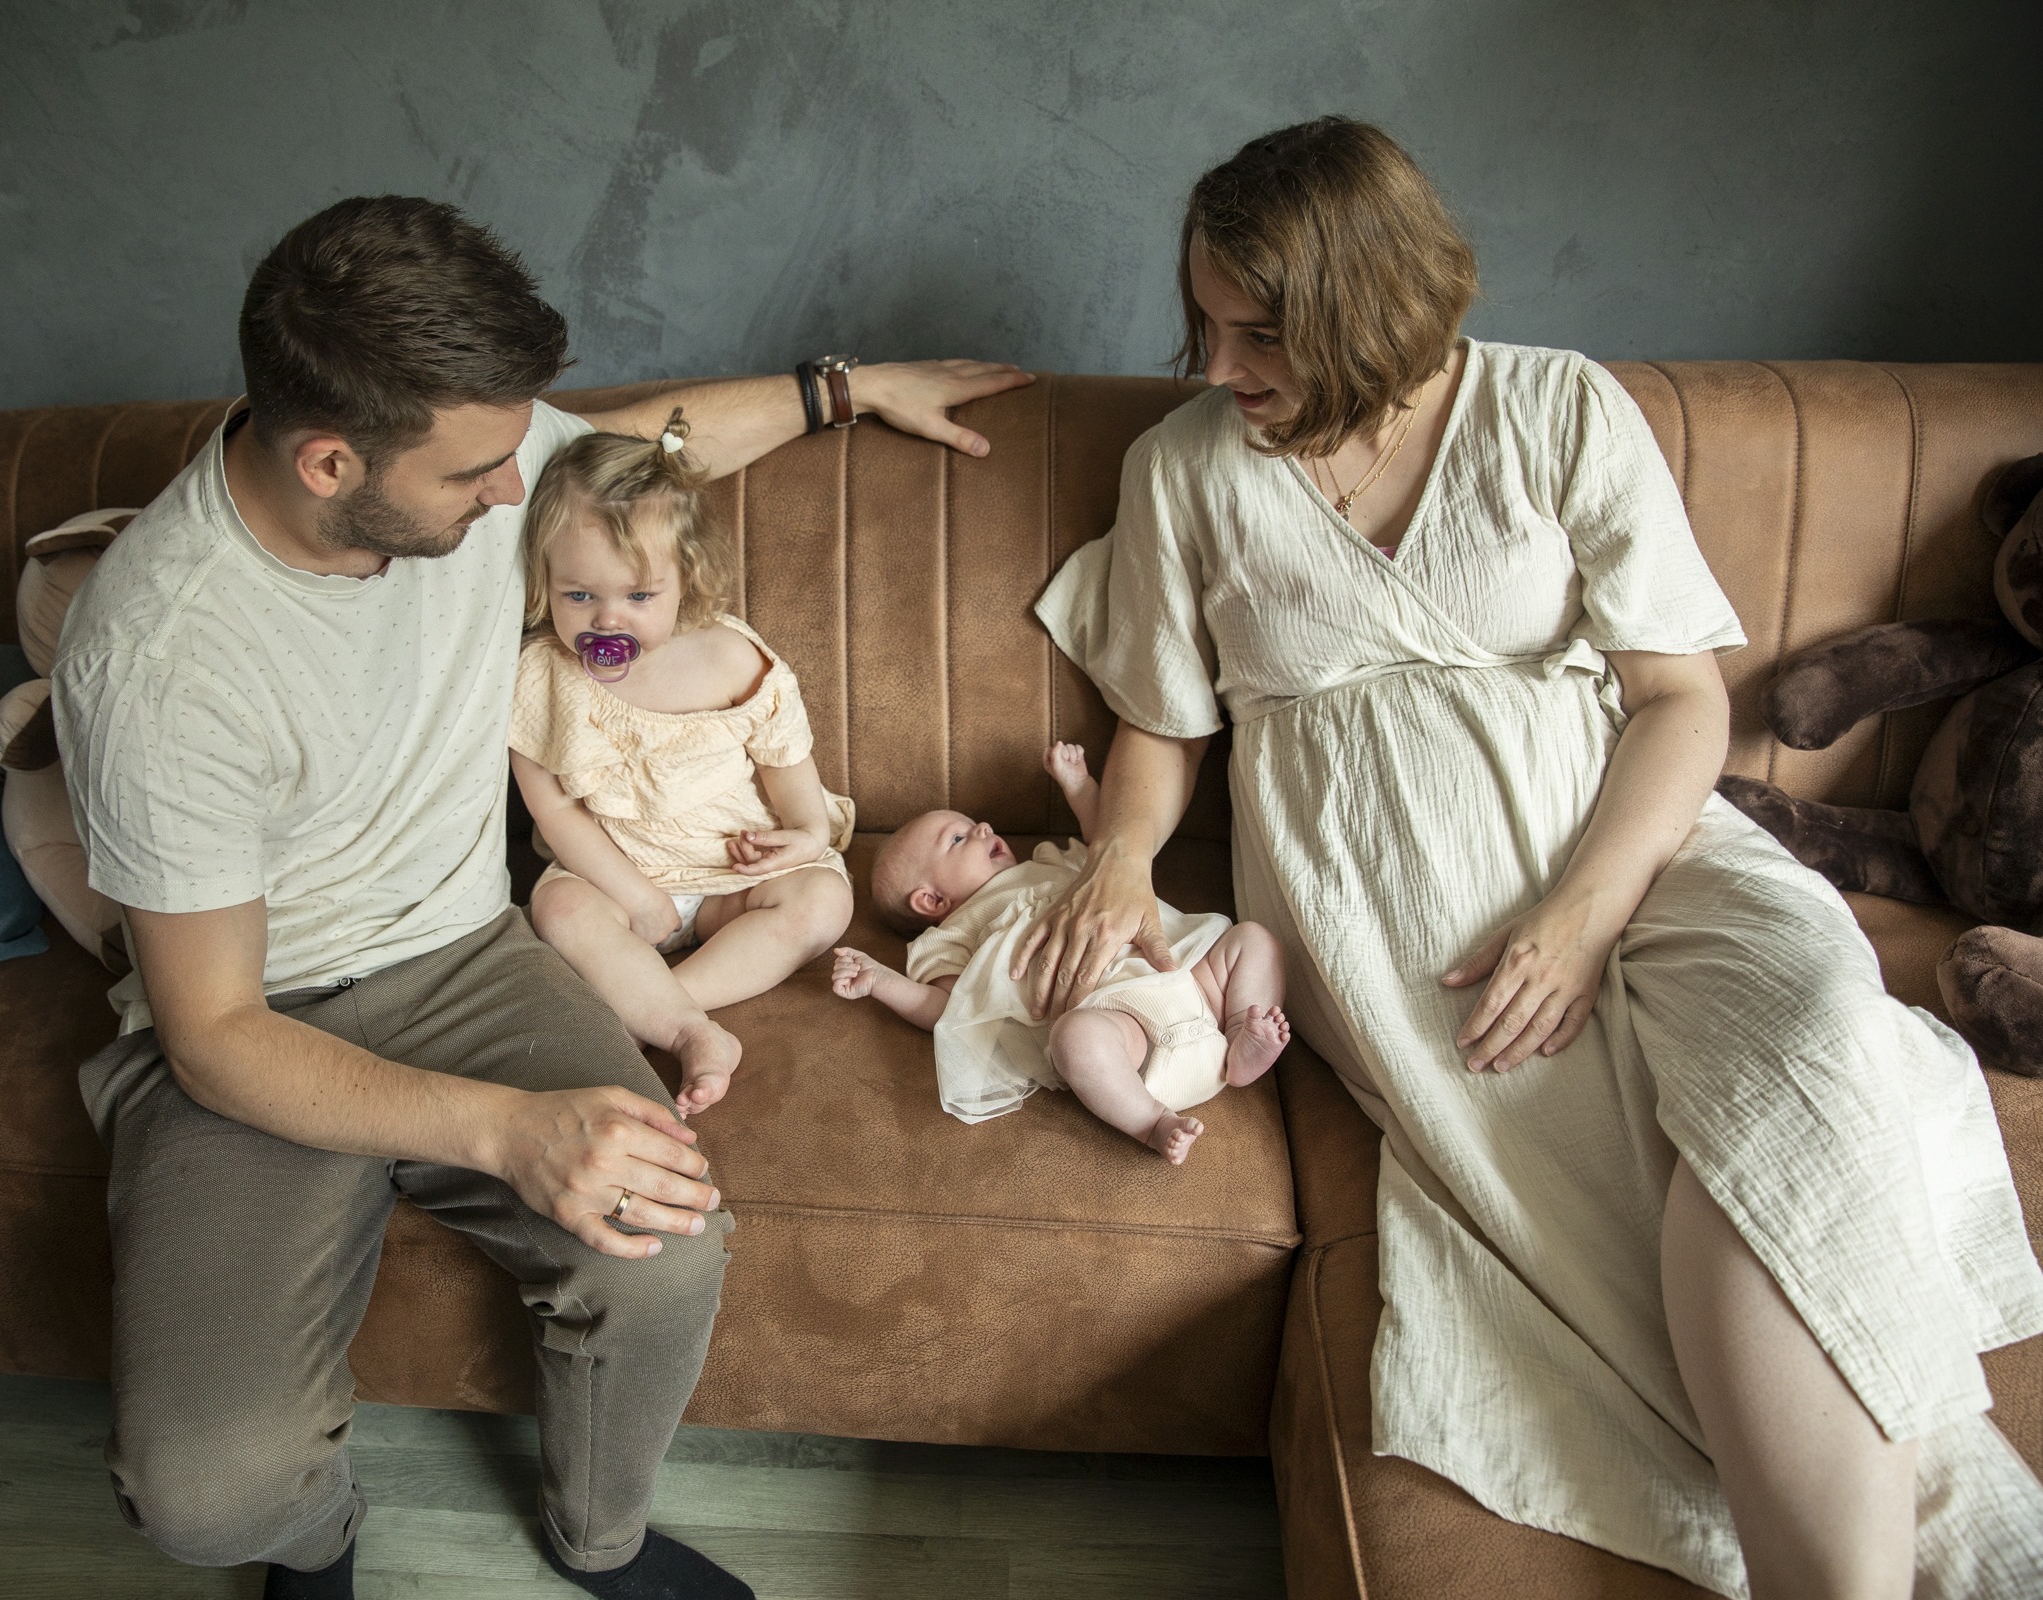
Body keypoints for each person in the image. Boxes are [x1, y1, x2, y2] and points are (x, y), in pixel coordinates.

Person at [1021, 119, 2043, 1598]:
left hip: (1640, 850)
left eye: (1264, 333)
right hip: (1398, 902)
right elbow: (1160, 727)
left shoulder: (1559, 409)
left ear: (1377, 308)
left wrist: (1581, 917)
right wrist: (1122, 856)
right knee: (1600, 1186)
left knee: (1813, 1033)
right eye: (1207, 324)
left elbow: (1682, 699)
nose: (1219, 367)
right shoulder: (1186, 470)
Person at [53, 193, 1029, 1600]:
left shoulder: (469, 462)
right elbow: (213, 1030)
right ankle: (315, 1544)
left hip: (465, 955)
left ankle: (599, 1546)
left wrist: (847, 390)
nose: (520, 495)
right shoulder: (158, 655)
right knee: (206, 1492)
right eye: (481, 475)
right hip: (255, 1030)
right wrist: (508, 1133)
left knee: (666, 1250)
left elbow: (657, 456)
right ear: (332, 461)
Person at [511, 414, 855, 1117]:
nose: (608, 621)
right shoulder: (540, 675)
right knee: (556, 904)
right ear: (545, 580)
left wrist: (808, 833)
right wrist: (635, 897)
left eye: (639, 596)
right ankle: (689, 1031)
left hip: (734, 875)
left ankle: (659, 1000)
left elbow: (787, 754)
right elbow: (553, 808)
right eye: (581, 595)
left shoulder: (728, 656)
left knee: (823, 902)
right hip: (616, 878)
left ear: (686, 577)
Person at [833, 743, 1287, 1163]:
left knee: (1253, 939)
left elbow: (1105, 842)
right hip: (1128, 1031)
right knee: (1076, 1040)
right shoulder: (949, 938)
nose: (983, 828)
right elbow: (951, 1013)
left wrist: (1078, 784)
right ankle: (1151, 1121)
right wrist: (883, 981)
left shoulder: (1047, 861)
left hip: (1191, 974)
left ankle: (1242, 1038)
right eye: (958, 839)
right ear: (931, 901)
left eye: (973, 824)